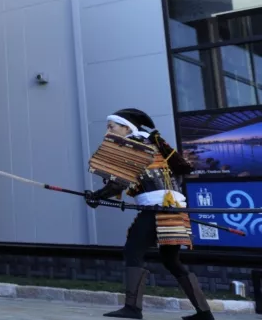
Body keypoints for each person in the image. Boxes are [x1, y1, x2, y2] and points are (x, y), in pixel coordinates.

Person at [85, 108, 214, 320]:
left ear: (127, 128)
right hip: (174, 208)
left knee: (133, 251)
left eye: (112, 126)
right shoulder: (152, 145)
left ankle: (133, 308)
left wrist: (97, 196)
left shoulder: (133, 144)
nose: (108, 131)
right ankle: (205, 313)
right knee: (171, 260)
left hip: (157, 208)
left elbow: (120, 183)